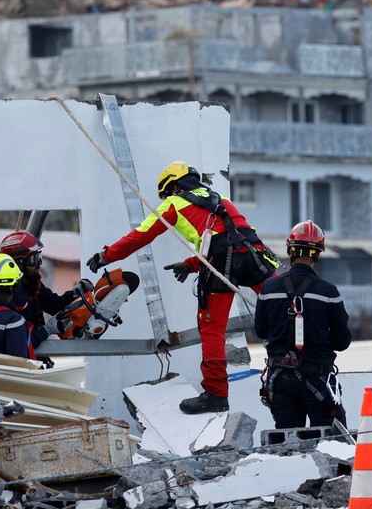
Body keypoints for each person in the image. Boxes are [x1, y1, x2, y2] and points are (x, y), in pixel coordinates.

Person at [86, 162, 280, 414]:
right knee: (285, 310)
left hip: (223, 264)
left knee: (212, 329)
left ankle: (216, 394)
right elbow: (229, 237)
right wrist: (190, 264)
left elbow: (141, 236)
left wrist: (106, 256)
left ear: (174, 186)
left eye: (166, 193)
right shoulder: (219, 198)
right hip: (256, 256)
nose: (166, 198)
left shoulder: (174, 203)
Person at [254, 221, 351, 429]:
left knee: (287, 443)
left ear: (290, 250)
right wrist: (318, 340)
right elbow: (342, 341)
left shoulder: (269, 288)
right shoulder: (328, 292)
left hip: (279, 379)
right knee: (335, 440)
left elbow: (261, 331)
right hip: (315, 378)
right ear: (318, 254)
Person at [0, 230, 85, 354]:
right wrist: (47, 330)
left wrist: (75, 293)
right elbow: (20, 342)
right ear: (18, 263)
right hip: (19, 361)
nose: (39, 265)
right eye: (34, 259)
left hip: (34, 356)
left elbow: (54, 305)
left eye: (39, 258)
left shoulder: (33, 284)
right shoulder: (10, 296)